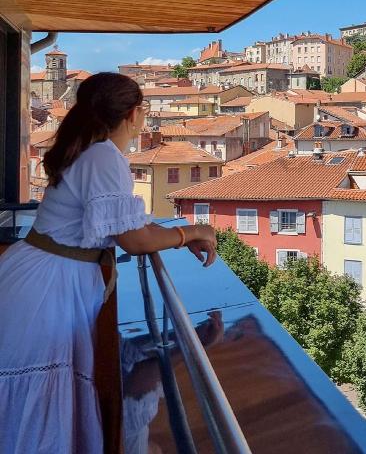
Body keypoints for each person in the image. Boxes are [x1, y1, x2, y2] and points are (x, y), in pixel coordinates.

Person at [0, 72, 217, 454]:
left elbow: (125, 225)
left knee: (31, 400)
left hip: (41, 275)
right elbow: (134, 240)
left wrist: (177, 237)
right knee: (35, 399)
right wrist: (192, 231)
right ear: (134, 114)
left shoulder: (89, 150)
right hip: (48, 287)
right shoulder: (103, 156)